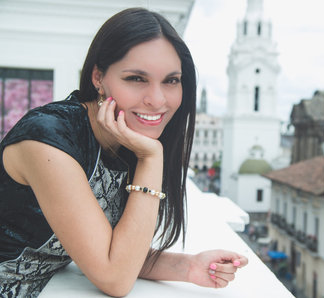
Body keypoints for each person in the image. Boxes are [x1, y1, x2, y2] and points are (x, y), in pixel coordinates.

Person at [0, 8, 248, 297]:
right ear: (98, 77)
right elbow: (114, 277)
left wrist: (187, 267)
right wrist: (151, 158)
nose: (157, 100)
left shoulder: (124, 140)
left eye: (171, 80)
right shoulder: (49, 141)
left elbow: (113, 250)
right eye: (136, 78)